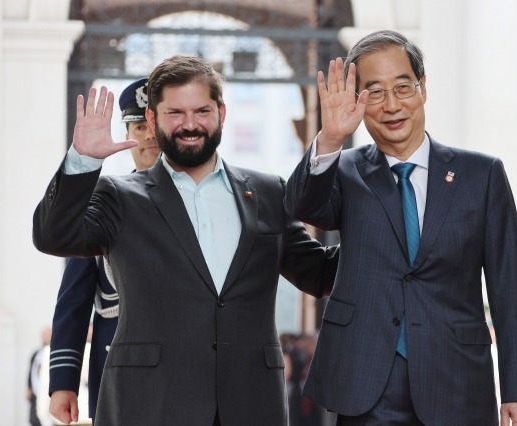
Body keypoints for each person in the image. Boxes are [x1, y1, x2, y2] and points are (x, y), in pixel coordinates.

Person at [33, 54, 339, 425]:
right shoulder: (118, 196)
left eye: (202, 111)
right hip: (149, 405)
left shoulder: (269, 193)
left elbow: (321, 274)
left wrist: (380, 223)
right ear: (152, 119)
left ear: (221, 114)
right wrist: (82, 161)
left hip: (251, 405)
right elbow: (53, 236)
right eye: (175, 113)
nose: (190, 124)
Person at [284, 30, 517, 425]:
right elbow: (305, 207)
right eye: (375, 92)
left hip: (456, 379)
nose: (392, 106)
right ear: (357, 101)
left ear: (423, 88)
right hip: (367, 382)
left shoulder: (482, 175)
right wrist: (332, 138)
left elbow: (510, 290)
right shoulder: (346, 170)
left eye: (402, 88)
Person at [47, 78, 160, 425]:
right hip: (117, 363)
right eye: (138, 126)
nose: (148, 137)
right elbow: (74, 299)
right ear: (127, 135)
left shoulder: (202, 204)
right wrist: (63, 383)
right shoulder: (102, 203)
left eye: (154, 125)